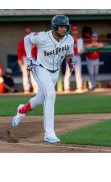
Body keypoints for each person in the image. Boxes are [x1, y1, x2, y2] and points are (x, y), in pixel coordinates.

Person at [12, 14, 74, 143]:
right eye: (61, 26)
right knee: (51, 94)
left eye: (65, 26)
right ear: (54, 27)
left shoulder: (69, 39)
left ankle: (22, 110)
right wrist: (29, 58)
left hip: (55, 72)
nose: (64, 29)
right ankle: (49, 133)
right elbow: (27, 39)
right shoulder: (43, 37)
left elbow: (68, 54)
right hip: (40, 68)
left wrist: (70, 62)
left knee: (40, 99)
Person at [64, 26, 84, 93]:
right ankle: (66, 88)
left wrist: (82, 50)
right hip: (71, 57)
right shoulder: (68, 38)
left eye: (76, 30)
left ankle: (79, 88)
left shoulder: (79, 38)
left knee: (78, 73)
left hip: (77, 56)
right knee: (68, 73)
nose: (75, 32)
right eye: (74, 30)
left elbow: (82, 49)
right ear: (71, 31)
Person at [17, 28, 38, 93]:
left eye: (28, 33)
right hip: (25, 58)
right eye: (26, 33)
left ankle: (36, 89)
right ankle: (26, 89)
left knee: (33, 74)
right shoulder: (22, 41)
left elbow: (37, 51)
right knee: (25, 74)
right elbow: (19, 51)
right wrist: (20, 60)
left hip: (32, 58)